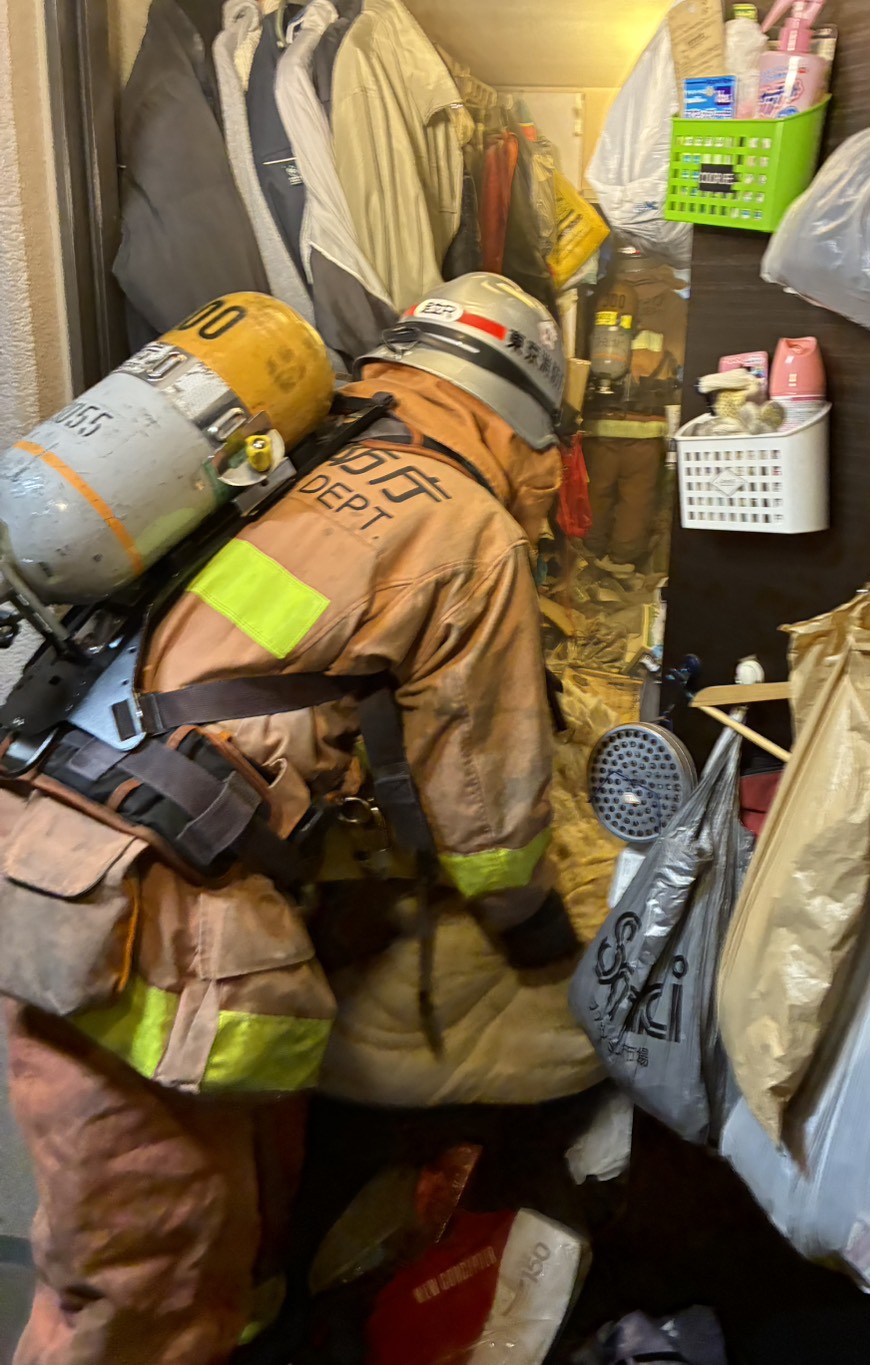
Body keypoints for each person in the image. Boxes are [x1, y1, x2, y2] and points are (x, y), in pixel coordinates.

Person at [5, 272, 577, 1365]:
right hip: (148, 924)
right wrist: (535, 929)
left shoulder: (305, 458)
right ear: (520, 423)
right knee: (138, 1288)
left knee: (240, 1240)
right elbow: (485, 799)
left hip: (73, 863)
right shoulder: (461, 520)